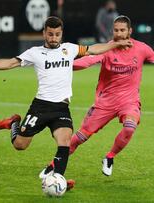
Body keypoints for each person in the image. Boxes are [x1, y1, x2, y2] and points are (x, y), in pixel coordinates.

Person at [0, 16, 132, 190]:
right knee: (20, 145)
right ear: (44, 33)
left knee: (65, 141)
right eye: (50, 34)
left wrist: (115, 44)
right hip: (41, 107)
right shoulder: (34, 53)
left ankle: (58, 179)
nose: (53, 38)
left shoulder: (70, 49)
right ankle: (14, 123)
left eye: (57, 34)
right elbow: (10, 63)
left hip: (61, 108)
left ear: (61, 34)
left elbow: (95, 49)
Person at [41, 15, 154, 177]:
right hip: (105, 103)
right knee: (79, 138)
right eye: (116, 30)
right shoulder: (106, 49)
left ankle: (109, 157)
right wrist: (63, 65)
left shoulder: (142, 48)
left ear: (130, 31)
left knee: (130, 128)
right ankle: (52, 165)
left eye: (122, 30)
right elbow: (87, 61)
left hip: (129, 101)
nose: (119, 34)